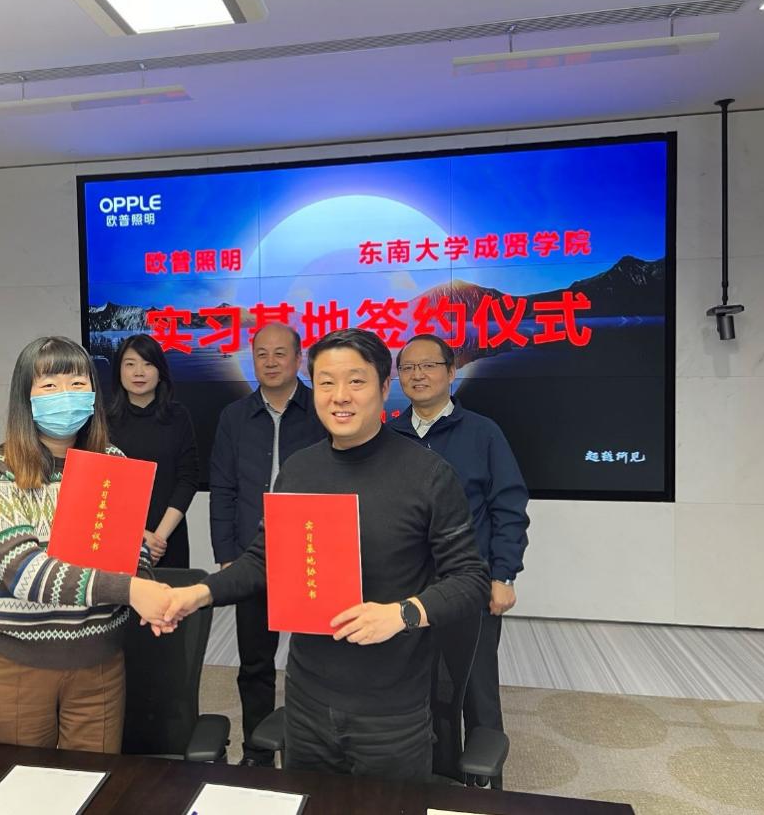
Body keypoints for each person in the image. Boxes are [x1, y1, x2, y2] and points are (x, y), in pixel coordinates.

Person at [165, 328, 489, 782]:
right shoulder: (300, 470)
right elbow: (263, 560)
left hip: (390, 711)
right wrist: (197, 594)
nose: (340, 396)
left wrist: (404, 614)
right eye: (326, 382)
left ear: (384, 386)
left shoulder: (428, 474)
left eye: (356, 381)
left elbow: (470, 579)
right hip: (307, 702)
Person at [0, 335, 174, 752]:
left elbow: (131, 549)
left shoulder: (113, 461)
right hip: (19, 662)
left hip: (98, 662)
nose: (65, 394)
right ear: (25, 398)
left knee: (93, 780)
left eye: (77, 383)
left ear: (93, 393)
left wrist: (146, 586)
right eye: (49, 385)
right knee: (15, 779)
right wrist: (131, 590)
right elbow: (23, 572)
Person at [388, 333, 529, 739]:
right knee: (415, 689)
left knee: (476, 689)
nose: (418, 375)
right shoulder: (390, 439)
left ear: (451, 372)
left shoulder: (483, 433)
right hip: (407, 588)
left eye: (428, 365)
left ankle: (483, 773)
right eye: (408, 368)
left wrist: (503, 576)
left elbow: (509, 507)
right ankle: (431, 770)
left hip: (470, 585)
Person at [208, 322, 328, 767]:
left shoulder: (322, 410)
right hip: (251, 555)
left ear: (299, 359)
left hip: (311, 551)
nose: (271, 362)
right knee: (255, 662)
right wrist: (226, 555)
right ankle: (257, 753)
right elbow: (223, 488)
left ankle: (312, 752)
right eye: (262, 354)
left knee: (318, 659)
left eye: (281, 353)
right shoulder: (234, 417)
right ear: (252, 359)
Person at [107, 334, 199, 568]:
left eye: (148, 364)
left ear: (160, 372)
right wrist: (137, 535)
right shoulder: (103, 421)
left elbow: (188, 479)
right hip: (116, 536)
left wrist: (158, 538)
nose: (139, 372)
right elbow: (99, 488)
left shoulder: (178, 416)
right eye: (130, 364)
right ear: (119, 371)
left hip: (167, 540)